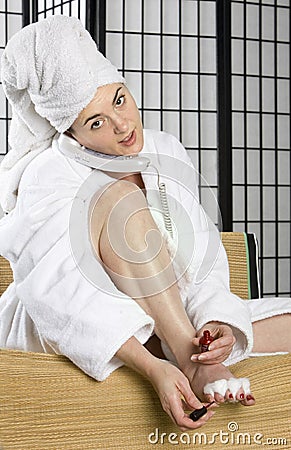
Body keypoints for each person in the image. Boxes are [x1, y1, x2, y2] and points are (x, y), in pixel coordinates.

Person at [0, 15, 290, 431]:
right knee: (119, 199)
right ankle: (191, 364)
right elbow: (60, 291)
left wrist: (217, 324)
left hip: (162, 314)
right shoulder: (49, 171)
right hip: (66, 319)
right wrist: (154, 367)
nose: (122, 125)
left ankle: (194, 350)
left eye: (119, 99)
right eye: (95, 122)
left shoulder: (163, 149)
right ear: (72, 131)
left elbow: (202, 252)